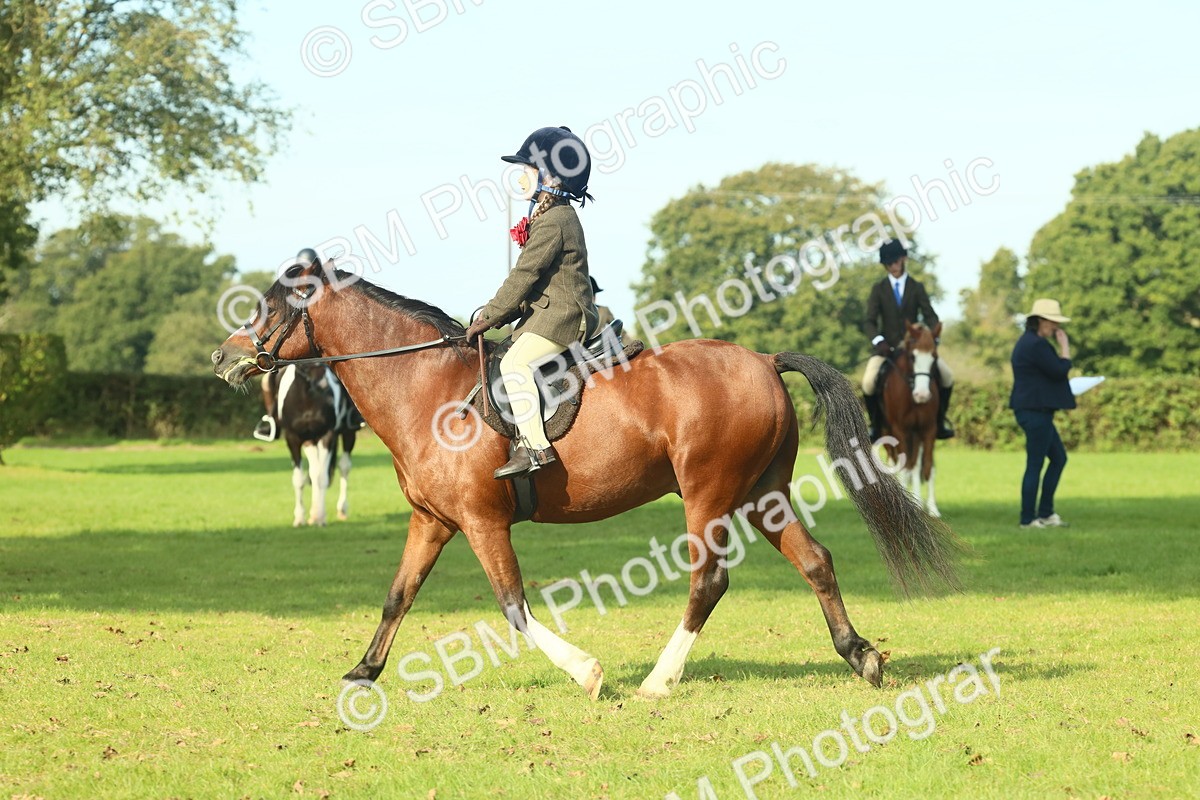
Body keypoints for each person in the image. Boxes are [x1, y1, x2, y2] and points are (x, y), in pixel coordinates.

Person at [465, 126, 600, 479]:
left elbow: (523, 277)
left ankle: (536, 447)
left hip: (564, 318)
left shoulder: (555, 220)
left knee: (513, 366)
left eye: (528, 169)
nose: (522, 176)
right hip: (548, 315)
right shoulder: (552, 216)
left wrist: (488, 317)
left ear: (551, 176)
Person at [861, 239, 955, 441]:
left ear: (903, 259)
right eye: (888, 263)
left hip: (915, 349)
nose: (892, 267)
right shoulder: (879, 289)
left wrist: (931, 338)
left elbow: (930, 316)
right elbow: (869, 321)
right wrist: (878, 340)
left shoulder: (916, 287)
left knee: (947, 376)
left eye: (895, 262)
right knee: (868, 382)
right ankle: (875, 426)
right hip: (886, 348)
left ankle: (939, 423)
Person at [1009, 298, 1075, 529]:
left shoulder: (1030, 342)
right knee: (1035, 463)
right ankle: (1028, 519)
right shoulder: (1035, 345)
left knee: (1058, 458)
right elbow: (1059, 370)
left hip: (1035, 411)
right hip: (1034, 412)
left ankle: (1045, 513)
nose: (1056, 327)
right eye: (1052, 322)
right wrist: (1065, 348)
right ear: (1039, 321)